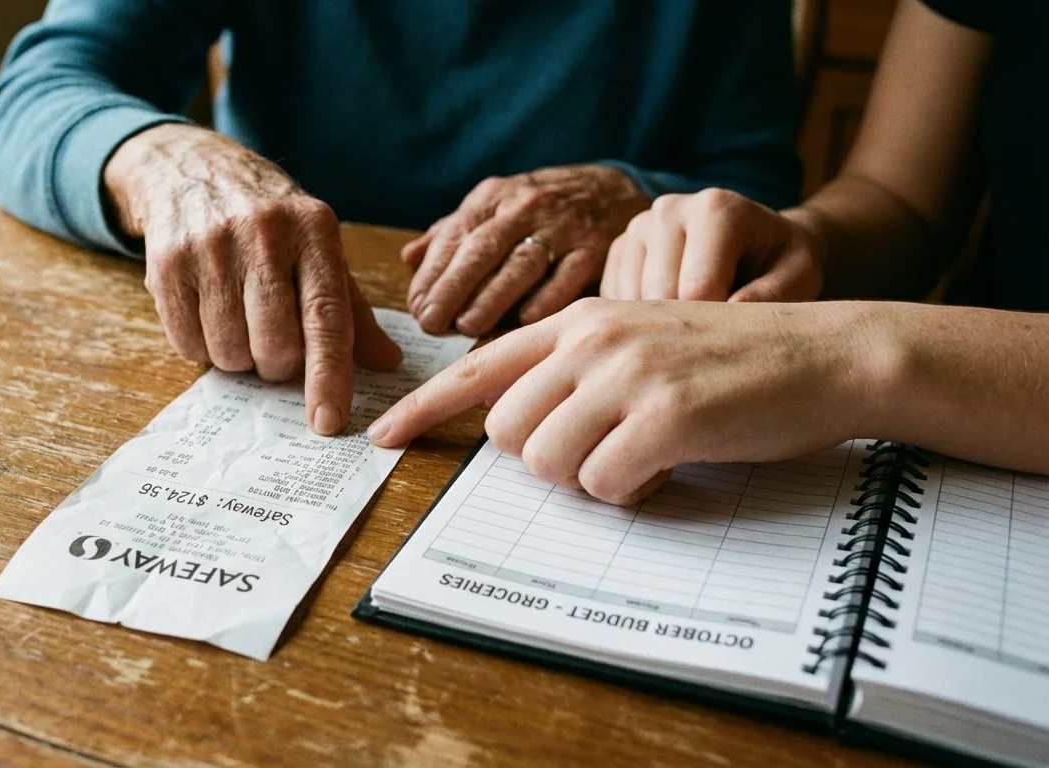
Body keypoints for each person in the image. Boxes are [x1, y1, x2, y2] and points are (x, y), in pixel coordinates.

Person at [0, 1, 802, 436]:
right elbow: (37, 92)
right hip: (275, 340)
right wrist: (167, 162)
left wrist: (635, 190)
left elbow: (754, 187)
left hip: (577, 364)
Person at [368, 0, 1049, 503]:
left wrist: (858, 355)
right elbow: (903, 203)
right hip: (950, 458)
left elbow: (860, 341)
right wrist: (802, 241)